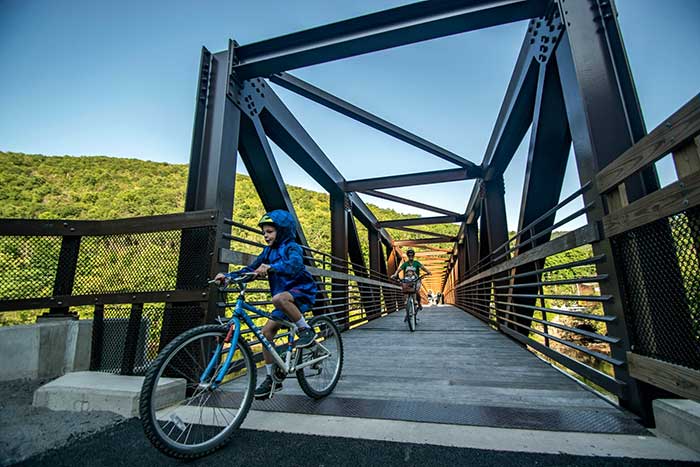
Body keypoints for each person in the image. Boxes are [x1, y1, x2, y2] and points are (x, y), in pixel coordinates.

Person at [215, 210, 317, 400]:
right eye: (264, 232)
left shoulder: (292, 247)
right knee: (266, 333)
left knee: (278, 299)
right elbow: (251, 268)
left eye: (270, 231)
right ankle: (272, 379)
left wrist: (272, 267)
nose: (266, 235)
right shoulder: (268, 252)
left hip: (301, 292)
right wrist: (228, 278)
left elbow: (295, 265)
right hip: (284, 298)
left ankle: (306, 330)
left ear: (283, 230)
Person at [391, 248, 431, 312]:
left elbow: (423, 268)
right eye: (409, 255)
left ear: (413, 256)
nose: (410, 256)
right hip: (407, 280)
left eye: (412, 255)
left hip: (416, 280)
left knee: (417, 291)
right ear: (407, 256)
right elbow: (399, 269)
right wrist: (395, 274)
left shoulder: (416, 263)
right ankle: (406, 301)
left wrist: (428, 272)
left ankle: (419, 303)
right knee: (405, 290)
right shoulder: (405, 264)